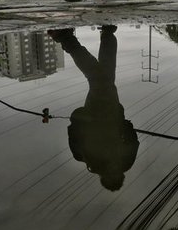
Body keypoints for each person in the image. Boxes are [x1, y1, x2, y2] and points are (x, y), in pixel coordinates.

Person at [48, 25, 139, 191]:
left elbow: (74, 136)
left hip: (95, 113)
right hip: (111, 113)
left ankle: (72, 38)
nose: (113, 170)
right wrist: (123, 123)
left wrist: (81, 120)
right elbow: (133, 141)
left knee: (100, 79)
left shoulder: (89, 160)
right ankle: (95, 35)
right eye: (116, 174)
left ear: (103, 176)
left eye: (110, 175)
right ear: (121, 174)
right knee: (104, 76)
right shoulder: (125, 162)